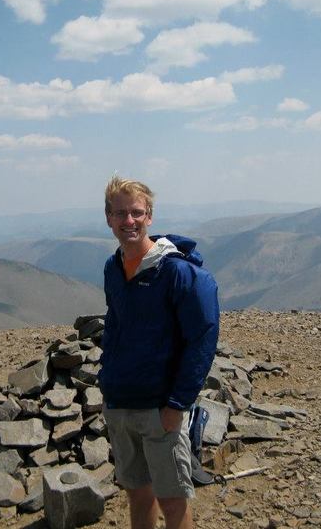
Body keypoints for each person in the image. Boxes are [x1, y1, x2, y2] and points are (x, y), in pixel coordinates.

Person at [99, 176, 220, 529]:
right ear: (108, 218)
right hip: (120, 401)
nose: (129, 221)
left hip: (159, 407)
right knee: (137, 493)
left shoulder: (178, 273)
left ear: (149, 216)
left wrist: (178, 404)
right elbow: (115, 326)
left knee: (173, 502)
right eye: (120, 213)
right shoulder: (113, 268)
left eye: (137, 212)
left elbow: (202, 339)